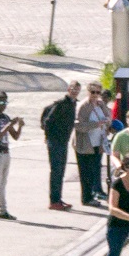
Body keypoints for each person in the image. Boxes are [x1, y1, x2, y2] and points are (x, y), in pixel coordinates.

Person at [40, 82, 81, 211]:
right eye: (73, 89)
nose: (75, 92)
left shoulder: (74, 104)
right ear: (69, 89)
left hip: (63, 142)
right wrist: (49, 137)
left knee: (61, 170)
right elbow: (47, 122)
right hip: (55, 142)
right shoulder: (61, 104)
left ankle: (58, 199)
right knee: (56, 170)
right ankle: (53, 201)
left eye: (77, 90)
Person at [75, 84, 113, 205]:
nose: (95, 95)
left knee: (94, 171)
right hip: (86, 145)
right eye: (93, 92)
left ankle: (93, 194)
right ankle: (86, 198)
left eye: (98, 92)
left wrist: (107, 123)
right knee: (85, 173)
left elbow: (108, 117)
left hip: (98, 143)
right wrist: (96, 124)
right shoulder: (83, 106)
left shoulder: (101, 104)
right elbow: (78, 125)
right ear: (88, 92)